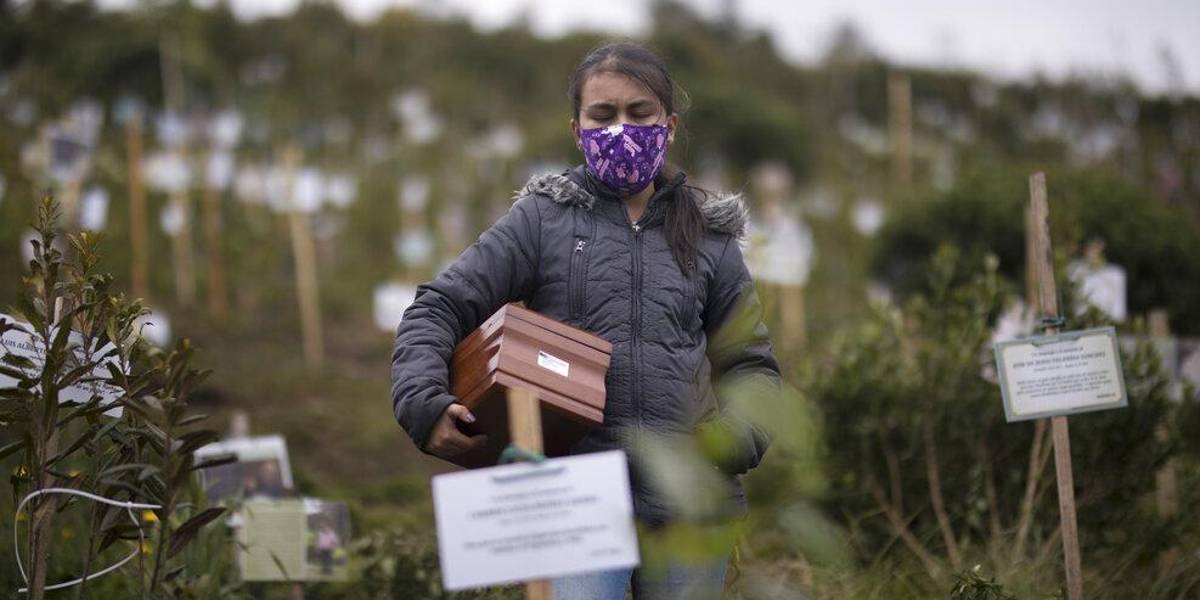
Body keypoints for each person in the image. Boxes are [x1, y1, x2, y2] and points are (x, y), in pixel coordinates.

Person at [390, 40, 783, 600]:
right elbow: (439, 306)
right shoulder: (541, 221)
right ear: (577, 131)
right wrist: (423, 402)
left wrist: (724, 444)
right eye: (603, 115)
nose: (622, 129)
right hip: (573, 503)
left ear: (669, 126)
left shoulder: (710, 239)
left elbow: (752, 369)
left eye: (640, 113)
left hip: (690, 505)